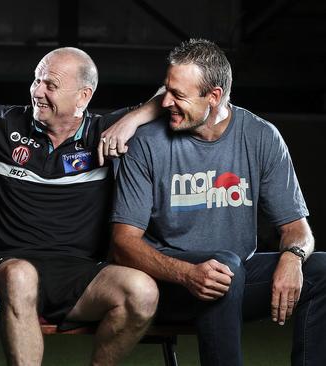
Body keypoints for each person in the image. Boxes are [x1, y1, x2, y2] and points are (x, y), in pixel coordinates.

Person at [111, 38, 326, 366]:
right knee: (226, 267)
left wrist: (292, 258)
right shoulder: (147, 142)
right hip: (168, 283)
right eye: (166, 90)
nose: (165, 102)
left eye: (178, 95)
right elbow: (122, 243)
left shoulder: (260, 136)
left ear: (214, 96)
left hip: (233, 273)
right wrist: (185, 274)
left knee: (322, 269)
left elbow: (298, 229)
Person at [0, 47, 158, 366]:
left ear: (83, 96)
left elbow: (173, 94)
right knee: (21, 275)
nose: (37, 92)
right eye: (36, 81)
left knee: (142, 292)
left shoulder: (104, 133)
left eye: (50, 85)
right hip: (8, 264)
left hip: (80, 271)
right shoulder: (2, 123)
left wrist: (134, 120)